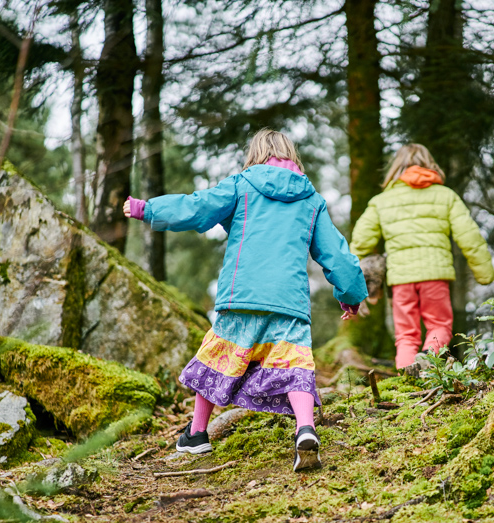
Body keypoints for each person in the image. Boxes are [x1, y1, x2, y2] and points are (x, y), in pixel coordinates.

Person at [124, 129, 367, 472]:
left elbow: (198, 207)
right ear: (291, 155)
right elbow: (337, 255)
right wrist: (351, 294)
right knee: (295, 366)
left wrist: (149, 209)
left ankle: (196, 434)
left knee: (218, 358)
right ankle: (305, 429)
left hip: (242, 296)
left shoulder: (242, 184)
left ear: (256, 154)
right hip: (289, 302)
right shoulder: (311, 200)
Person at [349, 143, 494, 372]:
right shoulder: (446, 196)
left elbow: (360, 241)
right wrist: (484, 273)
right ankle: (428, 359)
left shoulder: (382, 200)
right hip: (435, 275)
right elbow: (470, 236)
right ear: (430, 164)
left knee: (405, 334)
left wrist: (348, 277)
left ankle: (407, 377)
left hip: (401, 279)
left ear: (395, 168)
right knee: (439, 325)